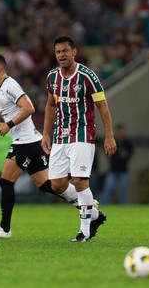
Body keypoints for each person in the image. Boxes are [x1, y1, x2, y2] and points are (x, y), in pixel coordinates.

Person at [0, 54, 105, 239]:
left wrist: (9, 125)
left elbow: (29, 108)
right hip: (31, 140)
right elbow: (15, 112)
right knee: (48, 185)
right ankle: (92, 212)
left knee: (5, 182)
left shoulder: (10, 85)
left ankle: (4, 229)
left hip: (25, 142)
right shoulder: (0, 90)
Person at [42, 35, 117, 242]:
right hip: (60, 136)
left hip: (83, 134)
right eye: (58, 52)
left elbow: (102, 105)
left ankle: (84, 231)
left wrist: (109, 136)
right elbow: (50, 105)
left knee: (80, 179)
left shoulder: (87, 76)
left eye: (65, 51)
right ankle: (93, 214)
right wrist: (46, 133)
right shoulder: (52, 77)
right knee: (56, 184)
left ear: (74, 52)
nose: (61, 55)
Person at [100, 123, 133, 204]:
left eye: (124, 131)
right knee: (108, 188)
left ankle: (122, 206)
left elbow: (131, 153)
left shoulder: (127, 142)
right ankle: (103, 204)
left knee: (123, 190)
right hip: (113, 170)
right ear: (118, 131)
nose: (122, 133)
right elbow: (106, 150)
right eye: (121, 131)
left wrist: (126, 160)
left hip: (123, 170)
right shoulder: (113, 141)